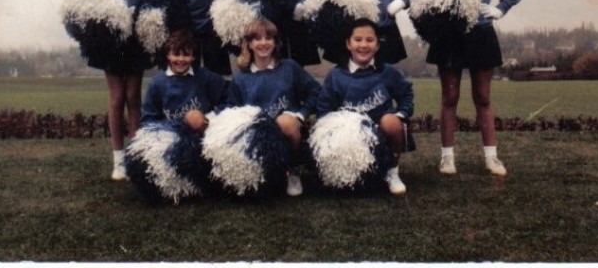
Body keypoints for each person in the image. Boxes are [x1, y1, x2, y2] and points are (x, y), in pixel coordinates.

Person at [428, 0, 524, 176]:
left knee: (482, 97)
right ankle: (447, 158)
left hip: (481, 33)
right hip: (449, 37)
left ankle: (491, 157)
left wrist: (500, 8)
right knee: (450, 97)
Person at [88, 0, 158, 181]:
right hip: (110, 40)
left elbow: (153, 0)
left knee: (133, 97)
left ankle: (135, 156)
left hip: (136, 39)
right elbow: (92, 0)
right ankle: (118, 159)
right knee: (117, 98)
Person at [317, 18, 414, 195]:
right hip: (350, 139)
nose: (363, 45)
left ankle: (392, 172)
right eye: (358, 40)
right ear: (348, 44)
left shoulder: (387, 72)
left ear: (377, 45)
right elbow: (324, 111)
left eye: (370, 40)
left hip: (382, 135)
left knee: (391, 121)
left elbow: (406, 94)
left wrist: (402, 114)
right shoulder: (336, 76)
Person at [227, 18, 322, 196]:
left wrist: (301, 114)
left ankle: (293, 171)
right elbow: (232, 110)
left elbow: (315, 91)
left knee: (285, 121)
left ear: (276, 42)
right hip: (260, 136)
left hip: (289, 130)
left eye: (268, 38)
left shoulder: (289, 67)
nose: (263, 43)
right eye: (257, 39)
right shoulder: (241, 78)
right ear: (248, 44)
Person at [140, 29, 229, 133]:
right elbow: (148, 119)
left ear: (193, 57)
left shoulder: (204, 76)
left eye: (186, 55)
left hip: (203, 135)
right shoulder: (157, 83)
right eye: (176, 54)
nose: (181, 59)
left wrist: (211, 117)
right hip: (171, 136)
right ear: (168, 55)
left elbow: (229, 95)